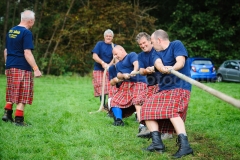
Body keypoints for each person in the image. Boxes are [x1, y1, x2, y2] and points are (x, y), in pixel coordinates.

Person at [140, 29, 193, 158]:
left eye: (152, 42)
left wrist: (172, 68)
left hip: (180, 87)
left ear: (159, 40)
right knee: (146, 109)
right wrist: (161, 68)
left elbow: (180, 61)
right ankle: (157, 143)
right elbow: (158, 63)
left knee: (171, 110)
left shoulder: (176, 45)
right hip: (164, 89)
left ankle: (185, 146)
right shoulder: (155, 53)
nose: (151, 45)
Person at [2, 10, 42, 126]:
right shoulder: (26, 33)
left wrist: (6, 65)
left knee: (12, 90)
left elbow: (6, 51)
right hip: (22, 67)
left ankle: (7, 114)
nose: (33, 23)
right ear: (30, 21)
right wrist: (35, 68)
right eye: (33, 21)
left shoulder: (11, 31)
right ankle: (19, 120)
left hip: (10, 65)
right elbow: (27, 53)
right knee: (23, 93)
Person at [136, 32, 174, 139]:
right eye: (140, 44)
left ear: (150, 41)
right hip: (151, 85)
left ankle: (167, 132)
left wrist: (155, 68)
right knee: (138, 101)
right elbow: (141, 70)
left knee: (161, 106)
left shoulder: (158, 50)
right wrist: (146, 71)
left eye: (144, 43)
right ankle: (143, 127)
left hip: (163, 84)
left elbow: (162, 64)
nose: (143, 45)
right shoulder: (141, 56)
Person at [110, 45, 147, 126]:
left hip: (139, 83)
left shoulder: (131, 55)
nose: (115, 56)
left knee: (137, 100)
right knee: (114, 100)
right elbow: (119, 74)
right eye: (114, 55)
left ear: (121, 50)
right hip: (126, 84)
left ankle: (142, 125)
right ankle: (118, 120)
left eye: (116, 54)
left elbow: (136, 63)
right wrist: (124, 76)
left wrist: (134, 70)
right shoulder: (119, 64)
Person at [92, 29, 115, 109]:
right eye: (107, 36)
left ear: (112, 37)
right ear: (104, 37)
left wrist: (109, 65)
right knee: (102, 87)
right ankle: (102, 106)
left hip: (109, 69)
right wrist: (102, 63)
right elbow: (94, 56)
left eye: (110, 36)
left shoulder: (114, 46)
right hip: (99, 69)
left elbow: (115, 57)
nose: (108, 37)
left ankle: (109, 106)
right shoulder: (99, 44)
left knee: (110, 88)